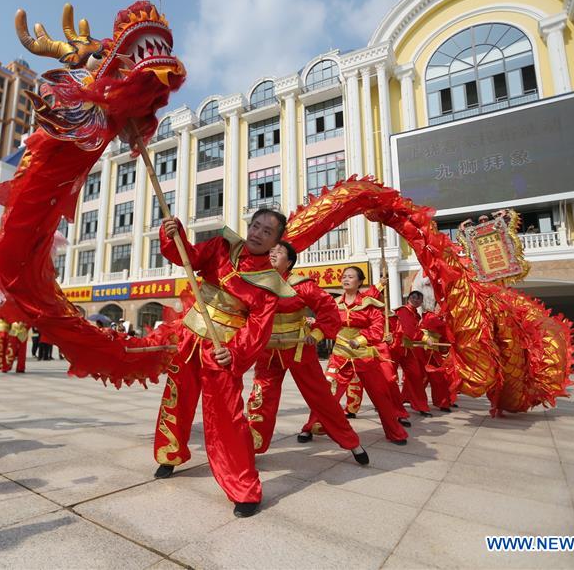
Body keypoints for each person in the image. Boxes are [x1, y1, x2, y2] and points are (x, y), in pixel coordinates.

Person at [152, 209, 290, 518]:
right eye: (255, 226)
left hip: (222, 349)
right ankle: (170, 453)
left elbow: (258, 329)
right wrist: (174, 233)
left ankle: (243, 487)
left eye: (267, 232)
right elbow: (185, 256)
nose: (257, 233)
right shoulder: (220, 247)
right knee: (176, 400)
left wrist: (236, 353)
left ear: (276, 241)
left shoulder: (269, 284)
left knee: (227, 417)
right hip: (189, 337)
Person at [245, 242, 368, 465]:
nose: (272, 254)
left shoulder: (302, 285)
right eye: (270, 252)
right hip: (269, 351)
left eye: (278, 252)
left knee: (321, 397)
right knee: (260, 399)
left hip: (299, 349)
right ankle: (251, 447)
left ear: (289, 262)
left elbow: (328, 308)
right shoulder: (256, 284)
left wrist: (319, 333)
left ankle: (352, 443)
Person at [303, 266, 409, 445]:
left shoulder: (369, 303)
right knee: (326, 392)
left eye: (350, 277)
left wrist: (360, 339)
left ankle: (395, 431)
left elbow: (377, 327)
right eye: (344, 276)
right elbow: (327, 324)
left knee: (380, 395)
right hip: (340, 353)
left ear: (360, 282)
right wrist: (315, 327)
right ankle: (310, 427)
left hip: (364, 354)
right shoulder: (334, 304)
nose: (345, 279)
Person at [393, 291, 434, 418]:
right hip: (395, 347)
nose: (415, 300)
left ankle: (421, 406)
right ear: (409, 298)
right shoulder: (404, 311)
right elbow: (409, 331)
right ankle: (388, 404)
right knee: (390, 379)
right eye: (413, 297)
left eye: (418, 299)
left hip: (407, 348)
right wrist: (424, 338)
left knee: (416, 376)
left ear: (421, 302)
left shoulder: (415, 314)